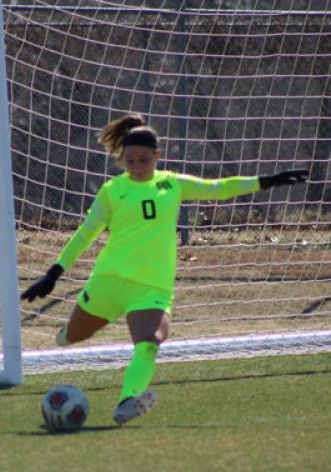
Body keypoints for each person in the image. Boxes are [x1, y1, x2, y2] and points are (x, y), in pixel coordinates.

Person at [21, 114, 309, 425]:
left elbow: (219, 188)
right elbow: (85, 234)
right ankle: (66, 334)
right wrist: (54, 273)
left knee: (150, 342)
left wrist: (269, 181)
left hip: (151, 286)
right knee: (69, 339)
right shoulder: (112, 190)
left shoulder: (172, 184)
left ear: (157, 156)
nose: (137, 167)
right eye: (130, 161)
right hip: (108, 281)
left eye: (144, 160)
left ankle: (127, 400)